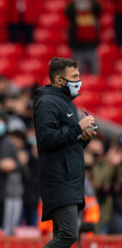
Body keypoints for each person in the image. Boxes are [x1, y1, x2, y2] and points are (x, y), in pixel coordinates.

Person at [33, 57, 97, 247]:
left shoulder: (66, 101)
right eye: (74, 76)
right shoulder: (48, 102)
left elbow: (64, 143)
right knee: (69, 234)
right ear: (59, 80)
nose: (79, 80)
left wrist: (82, 140)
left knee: (62, 235)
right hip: (59, 180)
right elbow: (47, 140)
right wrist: (78, 128)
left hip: (70, 180)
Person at [66, 0, 101, 74]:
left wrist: (92, 0)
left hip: (92, 47)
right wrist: (74, 1)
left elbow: (99, 9)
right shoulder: (74, 12)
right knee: (76, 75)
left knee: (95, 75)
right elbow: (67, 12)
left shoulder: (93, 10)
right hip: (78, 48)